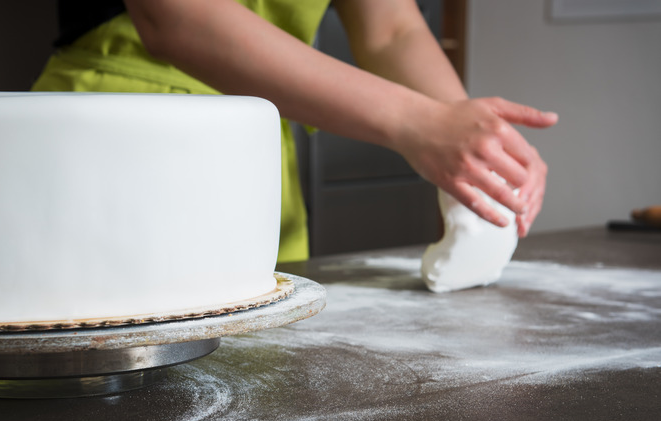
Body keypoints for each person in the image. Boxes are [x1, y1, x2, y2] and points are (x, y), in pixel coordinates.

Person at [32, 0, 558, 263]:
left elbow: (391, 27)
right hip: (121, 140)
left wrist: (474, 142)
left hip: (256, 158)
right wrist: (418, 122)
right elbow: (175, 15)